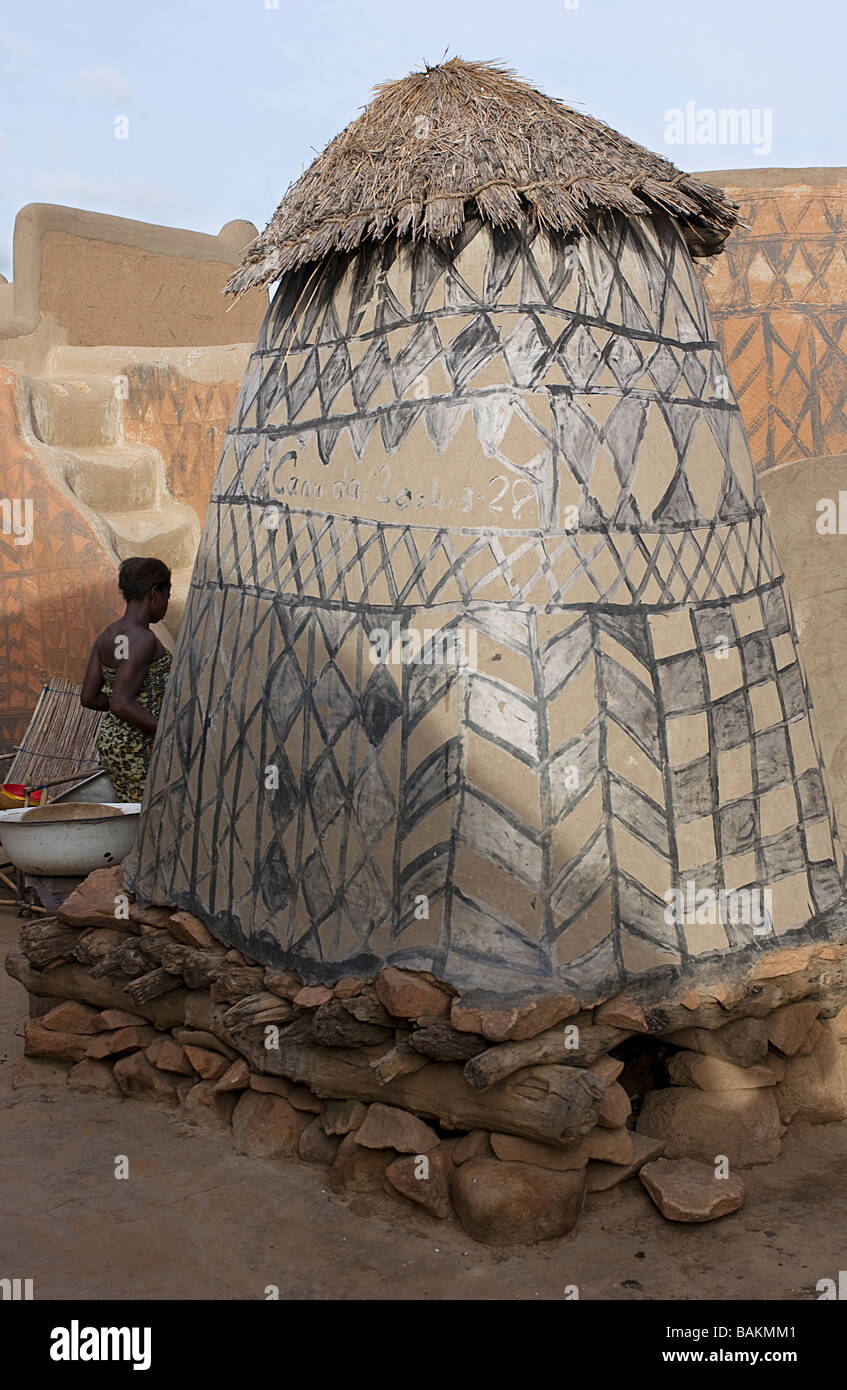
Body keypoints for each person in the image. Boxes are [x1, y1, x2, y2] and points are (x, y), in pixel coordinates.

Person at [81, 557, 173, 803]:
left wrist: (125, 706)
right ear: (155, 593)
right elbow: (121, 702)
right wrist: (165, 729)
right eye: (167, 595)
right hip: (138, 746)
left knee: (134, 810)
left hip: (113, 743)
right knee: (151, 814)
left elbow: (89, 697)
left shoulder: (108, 636)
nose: (166, 603)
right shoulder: (143, 639)